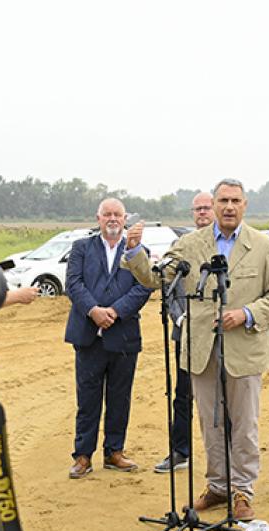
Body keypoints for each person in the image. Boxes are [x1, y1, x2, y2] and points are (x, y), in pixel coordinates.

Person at [123, 179, 269, 520]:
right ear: (212, 205)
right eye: (223, 200)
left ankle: (242, 490)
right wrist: (134, 252)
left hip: (245, 348)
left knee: (243, 423)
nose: (229, 207)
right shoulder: (189, 244)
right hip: (201, 348)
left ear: (245, 205)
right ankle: (217, 486)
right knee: (209, 422)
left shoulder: (263, 246)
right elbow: (157, 278)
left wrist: (244, 314)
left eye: (235, 201)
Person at [64, 198, 153, 478]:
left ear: (125, 218)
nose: (112, 219)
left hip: (123, 336)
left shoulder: (138, 252)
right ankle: (82, 456)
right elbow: (73, 284)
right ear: (98, 218)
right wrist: (94, 311)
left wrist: (114, 311)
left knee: (119, 397)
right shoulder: (81, 248)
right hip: (89, 336)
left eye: (117, 214)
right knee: (88, 399)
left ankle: (114, 452)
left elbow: (144, 287)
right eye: (107, 215)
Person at [154, 192, 214, 474]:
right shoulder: (181, 246)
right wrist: (180, 320)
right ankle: (181, 452)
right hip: (186, 333)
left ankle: (224, 459)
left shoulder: (227, 245)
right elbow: (170, 288)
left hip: (221, 332)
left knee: (221, 397)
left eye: (206, 207)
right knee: (182, 395)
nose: (202, 212)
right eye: (198, 209)